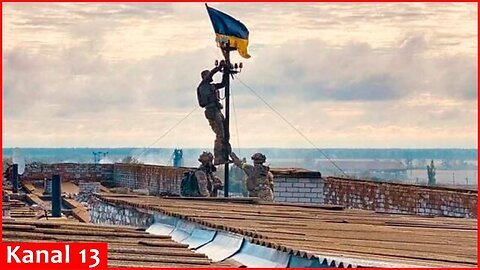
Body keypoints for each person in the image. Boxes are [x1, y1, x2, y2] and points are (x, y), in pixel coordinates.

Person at [197, 61, 231, 165]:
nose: (210, 76)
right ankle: (218, 157)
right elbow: (210, 74)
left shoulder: (211, 86)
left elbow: (223, 84)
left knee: (225, 134)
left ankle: (225, 155)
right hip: (211, 111)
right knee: (220, 134)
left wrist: (225, 72)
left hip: (217, 110)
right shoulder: (203, 85)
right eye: (207, 75)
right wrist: (219, 67)